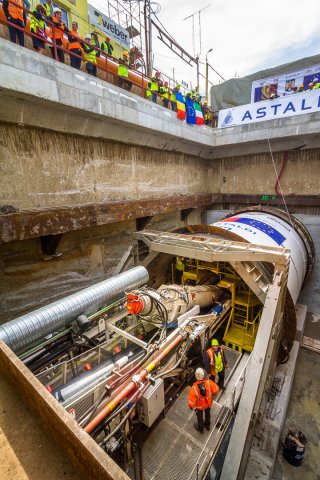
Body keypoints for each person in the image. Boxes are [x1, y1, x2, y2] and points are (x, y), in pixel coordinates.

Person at [188, 367, 219, 433]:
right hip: (208, 404)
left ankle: (201, 429)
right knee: (208, 414)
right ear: (203, 375)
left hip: (199, 407)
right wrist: (212, 396)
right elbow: (216, 390)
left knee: (199, 417)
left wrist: (191, 407)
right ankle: (207, 426)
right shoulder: (209, 383)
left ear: (196, 376)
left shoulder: (193, 389)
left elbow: (191, 403)